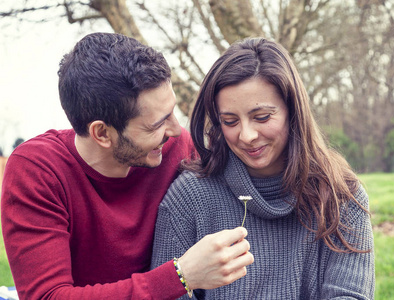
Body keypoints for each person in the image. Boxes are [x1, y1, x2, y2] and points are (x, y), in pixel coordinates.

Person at [1, 32, 253, 300]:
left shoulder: (178, 150)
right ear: (102, 133)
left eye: (172, 112)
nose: (175, 130)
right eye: (156, 124)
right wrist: (181, 276)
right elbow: (49, 296)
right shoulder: (38, 172)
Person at [150, 37, 375, 299]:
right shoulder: (188, 197)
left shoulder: (342, 196)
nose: (246, 136)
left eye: (262, 117)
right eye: (230, 121)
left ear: (293, 111)